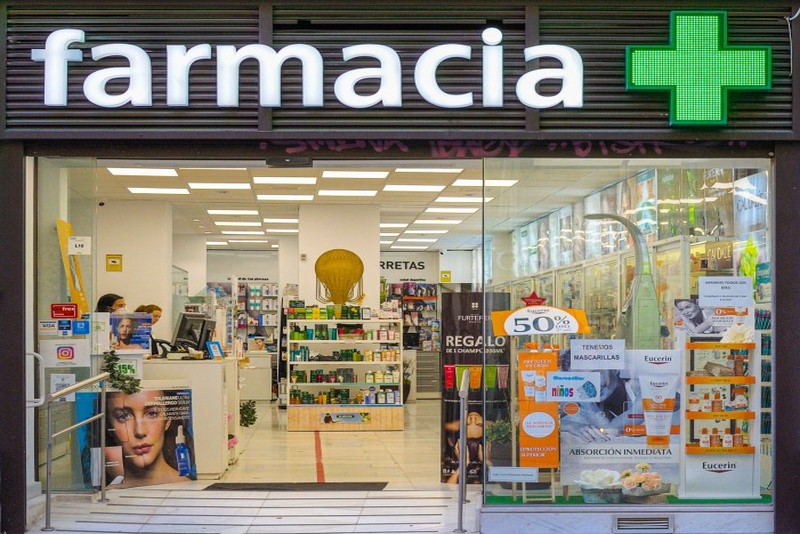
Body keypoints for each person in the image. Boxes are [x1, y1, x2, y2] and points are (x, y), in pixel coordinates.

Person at [105, 389, 193, 488]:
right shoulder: (105, 492)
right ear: (109, 425)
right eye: (124, 416)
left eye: (152, 413)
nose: (140, 431)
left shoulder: (189, 486)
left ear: (168, 420)